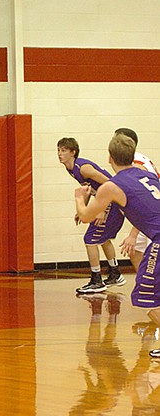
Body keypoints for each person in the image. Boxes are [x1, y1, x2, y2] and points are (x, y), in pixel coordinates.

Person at [72, 133, 160, 357]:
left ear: (110, 158)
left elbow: (85, 216)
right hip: (155, 237)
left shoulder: (111, 186)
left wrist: (79, 198)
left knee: (145, 297)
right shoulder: (143, 174)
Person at [58, 137, 125, 294]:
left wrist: (102, 209)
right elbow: (88, 187)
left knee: (90, 238)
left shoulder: (83, 168)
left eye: (63, 150)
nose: (59, 154)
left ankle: (97, 280)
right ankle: (115, 273)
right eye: (58, 150)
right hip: (109, 201)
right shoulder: (70, 168)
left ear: (73, 152)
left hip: (113, 202)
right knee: (102, 238)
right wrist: (83, 210)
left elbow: (110, 184)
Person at [113, 128, 160, 271]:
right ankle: (145, 285)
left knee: (153, 259)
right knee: (134, 252)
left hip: (154, 218)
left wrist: (133, 235)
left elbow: (144, 205)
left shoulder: (137, 166)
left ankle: (150, 286)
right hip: (148, 216)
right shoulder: (135, 161)